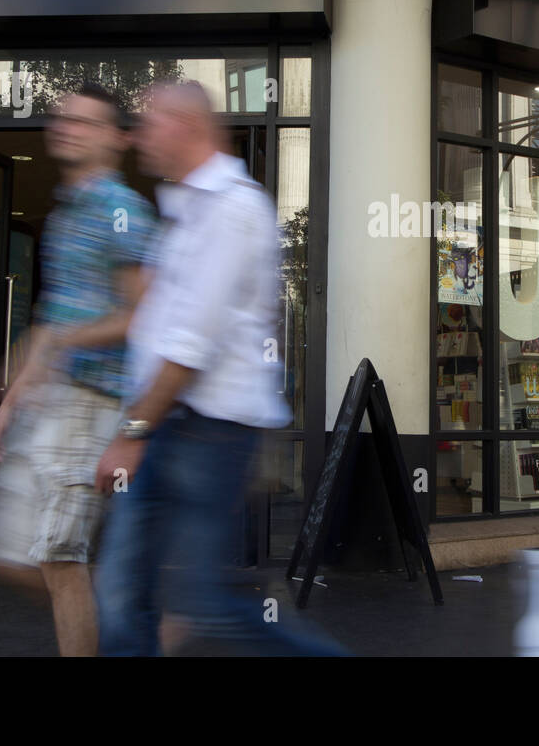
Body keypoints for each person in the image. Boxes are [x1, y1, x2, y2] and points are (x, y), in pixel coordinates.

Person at [93, 81, 342, 656]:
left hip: (206, 432)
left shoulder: (232, 209)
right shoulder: (186, 210)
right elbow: (161, 324)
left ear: (186, 125)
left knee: (202, 601)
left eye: (150, 123)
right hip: (165, 427)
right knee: (123, 588)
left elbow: (189, 342)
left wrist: (131, 434)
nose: (139, 136)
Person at [0, 84, 157, 656]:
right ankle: (137, 611)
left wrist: (64, 343)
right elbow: (55, 318)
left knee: (57, 557)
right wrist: (13, 400)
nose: (67, 127)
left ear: (116, 138)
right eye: (63, 118)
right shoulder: (64, 213)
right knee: (4, 555)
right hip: (51, 401)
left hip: (92, 402)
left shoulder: (122, 210)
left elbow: (141, 313)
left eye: (85, 121)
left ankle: (138, 615)